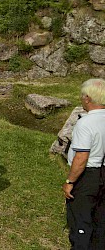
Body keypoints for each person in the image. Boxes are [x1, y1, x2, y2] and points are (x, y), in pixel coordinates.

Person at [62, 78, 105, 250]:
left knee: (81, 220)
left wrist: (69, 182)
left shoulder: (85, 123)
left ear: (87, 98)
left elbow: (81, 158)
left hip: (88, 175)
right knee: (100, 221)